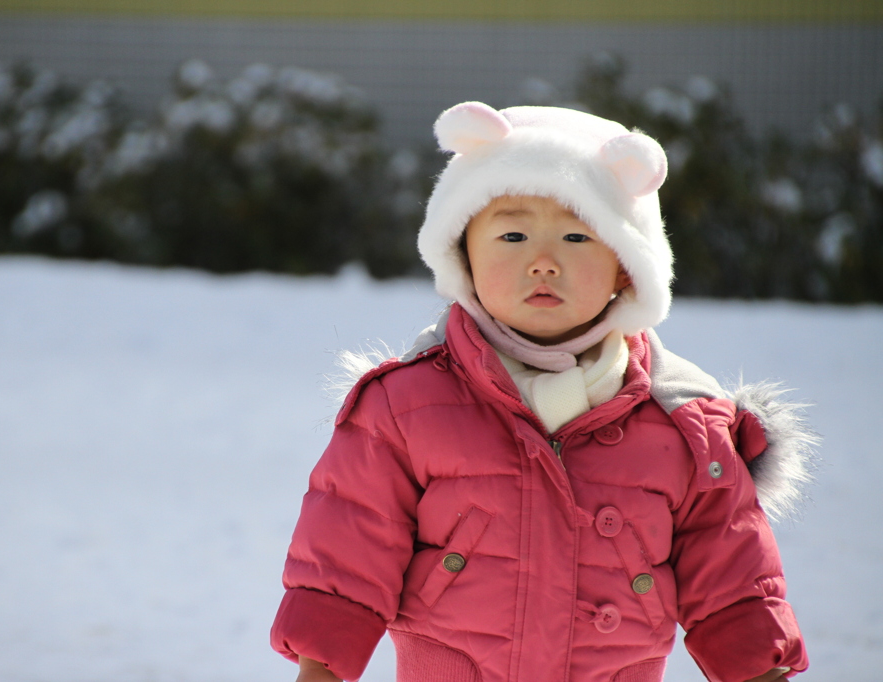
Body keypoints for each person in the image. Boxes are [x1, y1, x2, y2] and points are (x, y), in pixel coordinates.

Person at [270, 102, 815, 682]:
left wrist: (760, 667)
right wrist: (321, 665)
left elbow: (735, 582)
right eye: (512, 233)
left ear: (625, 268)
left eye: (578, 235)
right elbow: (346, 553)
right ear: (464, 253)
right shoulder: (406, 407)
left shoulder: (688, 429)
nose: (543, 262)